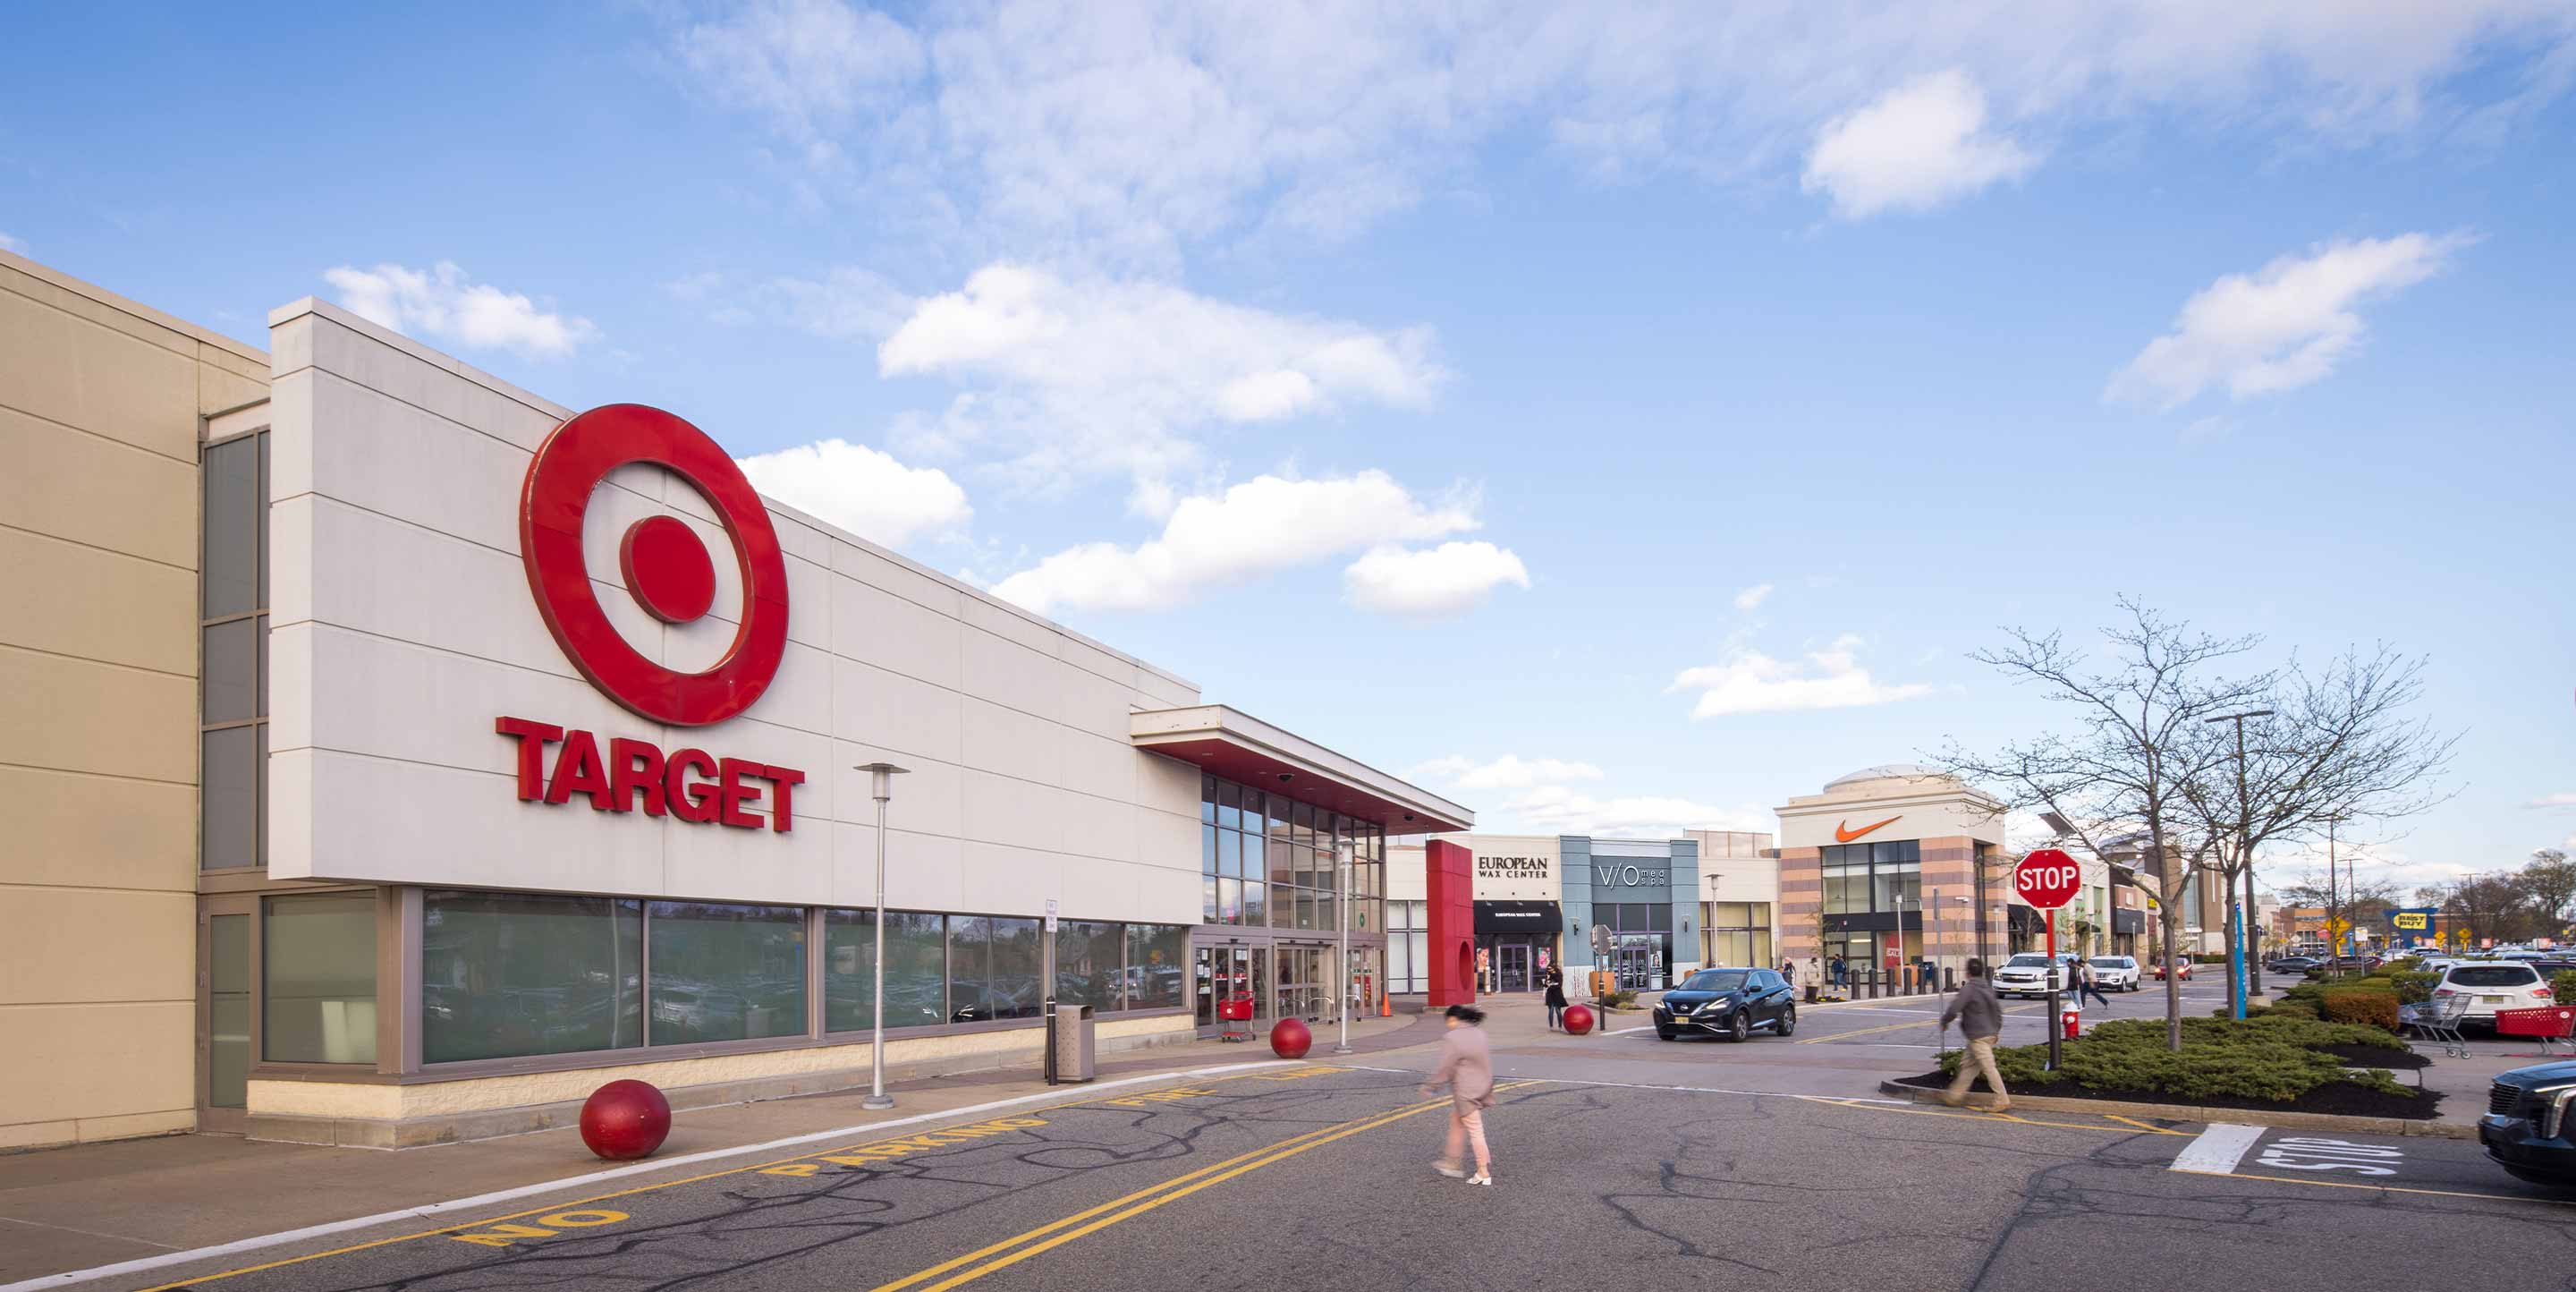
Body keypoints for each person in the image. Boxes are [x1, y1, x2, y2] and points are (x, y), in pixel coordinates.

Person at [1422, 1004, 1496, 1186]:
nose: (1448, 1025)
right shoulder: (1479, 1033)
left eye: (1448, 1022)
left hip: (1466, 1091)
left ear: (1453, 1019)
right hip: (1483, 1087)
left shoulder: (1453, 1037)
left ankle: (1483, 1171)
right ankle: (1452, 1161)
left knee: (1476, 1130)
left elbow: (1446, 1067)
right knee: (1457, 1120)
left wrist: (1431, 1086)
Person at [1939, 957, 2009, 1112]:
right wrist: (1995, 1030)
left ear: (1968, 973)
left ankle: (2002, 1100)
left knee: (1989, 1067)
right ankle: (1954, 1096)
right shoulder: (1988, 988)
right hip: (1988, 1034)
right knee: (1969, 1066)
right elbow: (1998, 1012)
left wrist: (1944, 1022)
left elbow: (1954, 1009)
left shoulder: (1969, 989)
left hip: (1978, 1036)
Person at [1541, 961, 1567, 1030]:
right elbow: (1545, 985)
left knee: (1558, 1010)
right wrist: (1547, 982)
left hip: (1557, 994)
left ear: (1554, 968)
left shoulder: (1559, 975)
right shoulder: (1548, 975)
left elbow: (1559, 985)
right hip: (1550, 994)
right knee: (1551, 1010)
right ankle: (1551, 1026)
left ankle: (1560, 1026)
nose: (1549, 970)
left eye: (1550, 969)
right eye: (1548, 969)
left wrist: (1551, 985)